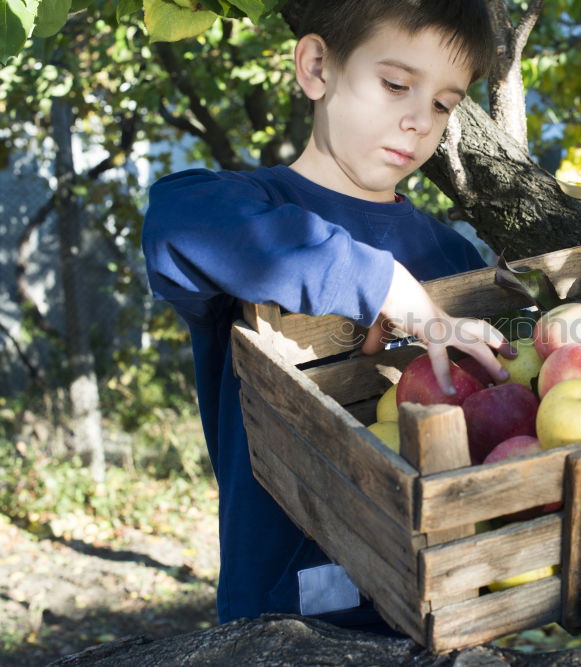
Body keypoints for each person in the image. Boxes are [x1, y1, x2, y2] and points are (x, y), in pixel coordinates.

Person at [141, 0, 512, 636]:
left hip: (433, 604)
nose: (420, 120)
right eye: (396, 84)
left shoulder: (451, 258)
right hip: (282, 611)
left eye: (445, 103)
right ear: (316, 67)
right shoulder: (247, 208)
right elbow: (175, 228)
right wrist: (380, 283)